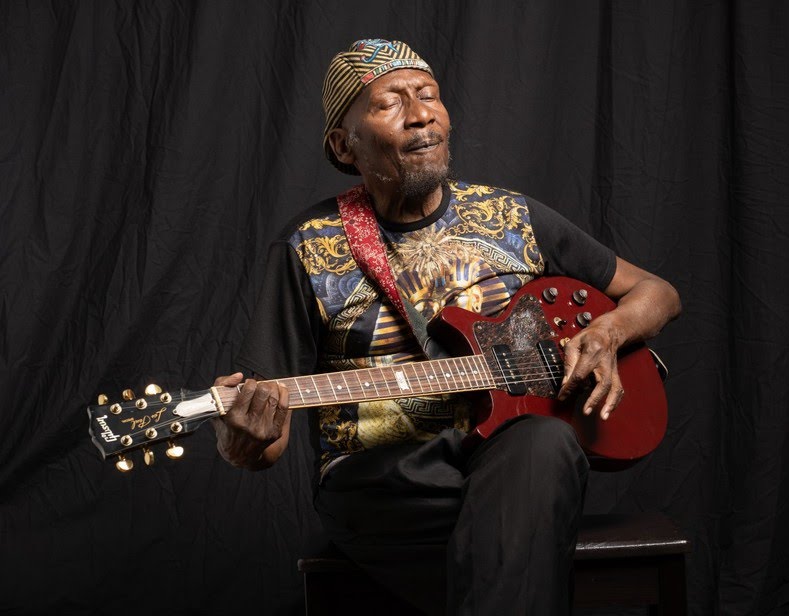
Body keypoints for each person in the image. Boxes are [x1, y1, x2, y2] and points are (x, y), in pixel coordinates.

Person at [212, 38, 681, 615]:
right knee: (516, 525)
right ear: (343, 144)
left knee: (546, 444)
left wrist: (607, 333)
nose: (420, 115)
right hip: (388, 483)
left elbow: (658, 294)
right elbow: (266, 435)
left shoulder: (513, 216)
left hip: (507, 461)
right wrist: (244, 441)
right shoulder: (307, 246)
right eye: (390, 103)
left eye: (429, 95)